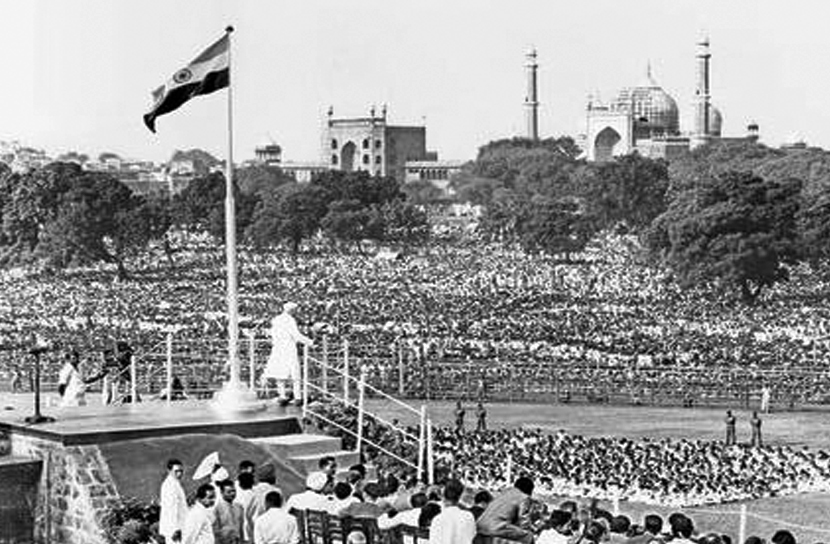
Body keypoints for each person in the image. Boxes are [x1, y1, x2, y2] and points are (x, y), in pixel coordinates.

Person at [263, 302, 313, 404]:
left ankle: (282, 395)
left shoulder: (276, 319)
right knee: (295, 372)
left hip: (278, 348)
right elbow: (296, 335)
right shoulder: (290, 320)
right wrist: (310, 342)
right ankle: (298, 397)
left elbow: (272, 333)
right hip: (288, 348)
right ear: (292, 310)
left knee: (280, 372)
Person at [476, 477, 535, 544]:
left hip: (480, 525)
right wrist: (530, 530)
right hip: (495, 528)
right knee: (528, 536)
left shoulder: (504, 493)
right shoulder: (524, 497)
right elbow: (524, 521)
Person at [429, 479, 476, 544]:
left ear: (443, 496)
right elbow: (472, 535)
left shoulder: (438, 519)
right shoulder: (469, 517)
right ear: (460, 496)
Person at [160, 459, 188, 544]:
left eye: (181, 471)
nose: (179, 474)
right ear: (169, 471)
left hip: (180, 527)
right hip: (174, 529)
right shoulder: (169, 486)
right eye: (176, 471)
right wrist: (175, 529)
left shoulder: (175, 483)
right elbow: (171, 509)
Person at [214, 479, 244, 544]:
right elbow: (216, 531)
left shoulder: (239, 507)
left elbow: (241, 528)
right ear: (222, 493)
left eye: (234, 491)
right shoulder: (218, 509)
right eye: (229, 492)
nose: (232, 494)